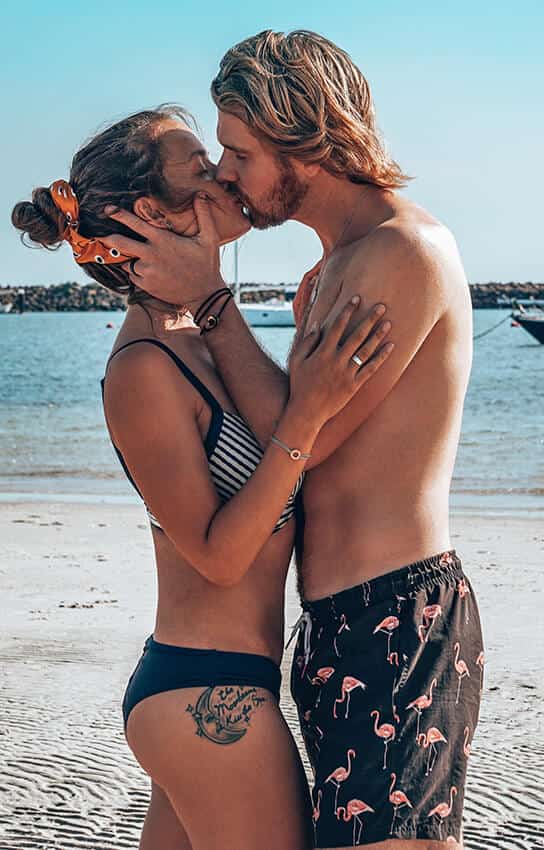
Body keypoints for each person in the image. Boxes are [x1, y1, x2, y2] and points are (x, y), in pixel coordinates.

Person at [103, 29, 484, 850]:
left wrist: (211, 300)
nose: (227, 173)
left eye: (237, 151)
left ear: (301, 138)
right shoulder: (342, 259)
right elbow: (294, 434)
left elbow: (301, 436)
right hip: (327, 627)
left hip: (396, 614)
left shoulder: (401, 253)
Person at [12, 106, 394, 850]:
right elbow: (218, 556)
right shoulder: (143, 368)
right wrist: (302, 420)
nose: (223, 174)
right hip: (206, 696)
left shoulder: (197, 339)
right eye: (198, 167)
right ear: (152, 213)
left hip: (213, 692)